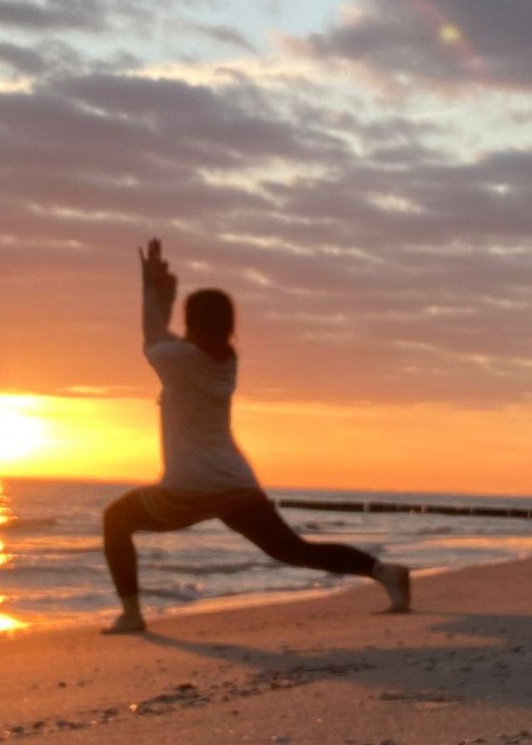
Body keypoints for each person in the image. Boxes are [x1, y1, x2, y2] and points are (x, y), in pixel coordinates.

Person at [101, 238, 411, 634]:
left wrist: (151, 286)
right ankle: (384, 571)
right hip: (233, 483)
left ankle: (131, 614)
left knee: (115, 519)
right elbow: (162, 332)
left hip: (188, 486)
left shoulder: (179, 360)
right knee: (293, 550)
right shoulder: (224, 361)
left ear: (192, 324)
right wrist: (160, 290)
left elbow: (152, 335)